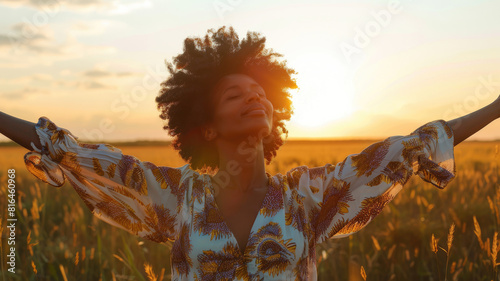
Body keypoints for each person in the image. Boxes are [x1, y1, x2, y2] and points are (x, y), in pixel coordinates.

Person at [1, 25, 499, 281]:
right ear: (206, 127)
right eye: (234, 95)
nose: (254, 98)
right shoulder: (175, 198)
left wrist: (496, 107)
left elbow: (407, 149)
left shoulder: (309, 196)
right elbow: (72, 153)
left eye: (260, 93)